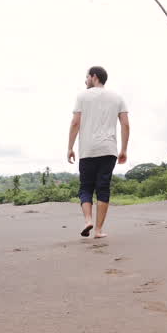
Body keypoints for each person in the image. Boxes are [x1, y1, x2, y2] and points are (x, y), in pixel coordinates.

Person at [67, 65, 129, 239]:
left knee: (86, 187)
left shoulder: (82, 96)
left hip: (87, 149)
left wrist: (70, 147)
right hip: (109, 149)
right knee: (103, 188)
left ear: (94, 76)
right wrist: (123, 149)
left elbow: (75, 123)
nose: (85, 81)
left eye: (86, 77)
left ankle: (88, 220)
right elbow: (125, 124)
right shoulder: (118, 97)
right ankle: (98, 230)